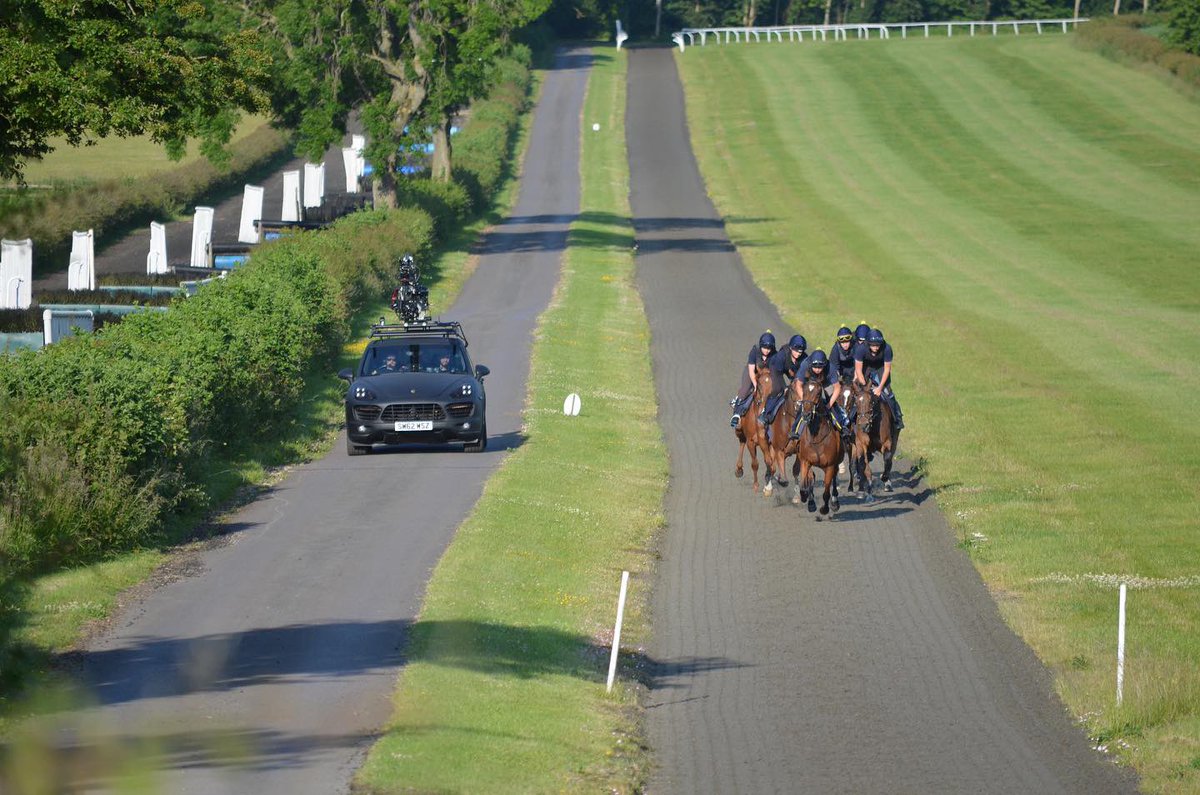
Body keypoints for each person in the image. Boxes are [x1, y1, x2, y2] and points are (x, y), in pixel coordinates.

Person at [854, 328, 904, 430]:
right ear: (868, 344)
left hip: (881, 368)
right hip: (866, 368)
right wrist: (864, 387)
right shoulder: (860, 349)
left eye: (877, 345)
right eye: (873, 345)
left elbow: (887, 369)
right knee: (859, 394)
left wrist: (880, 388)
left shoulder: (887, 349)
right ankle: (850, 418)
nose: (876, 348)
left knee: (888, 392)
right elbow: (858, 370)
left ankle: (897, 417)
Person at [790, 350, 846, 438]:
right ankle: (794, 430)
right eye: (815, 367)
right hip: (809, 382)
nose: (817, 370)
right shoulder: (805, 364)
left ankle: (842, 427)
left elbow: (837, 387)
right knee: (804, 406)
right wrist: (804, 400)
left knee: (834, 405)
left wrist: (829, 404)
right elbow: (798, 384)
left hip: (826, 382)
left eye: (820, 367)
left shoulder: (830, 368)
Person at [759, 334, 807, 427]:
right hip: (776, 368)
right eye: (796, 351)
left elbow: (801, 376)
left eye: (800, 352)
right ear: (791, 348)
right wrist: (785, 387)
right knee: (778, 389)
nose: (798, 354)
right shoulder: (781, 355)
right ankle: (766, 414)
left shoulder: (804, 359)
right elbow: (779, 374)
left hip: (792, 371)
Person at [730, 332, 776, 427]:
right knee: (746, 388)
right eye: (765, 348)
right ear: (760, 346)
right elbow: (751, 371)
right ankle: (737, 414)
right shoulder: (754, 351)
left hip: (765, 375)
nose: (767, 351)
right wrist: (755, 385)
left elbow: (774, 372)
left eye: (769, 349)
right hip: (752, 372)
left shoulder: (774, 355)